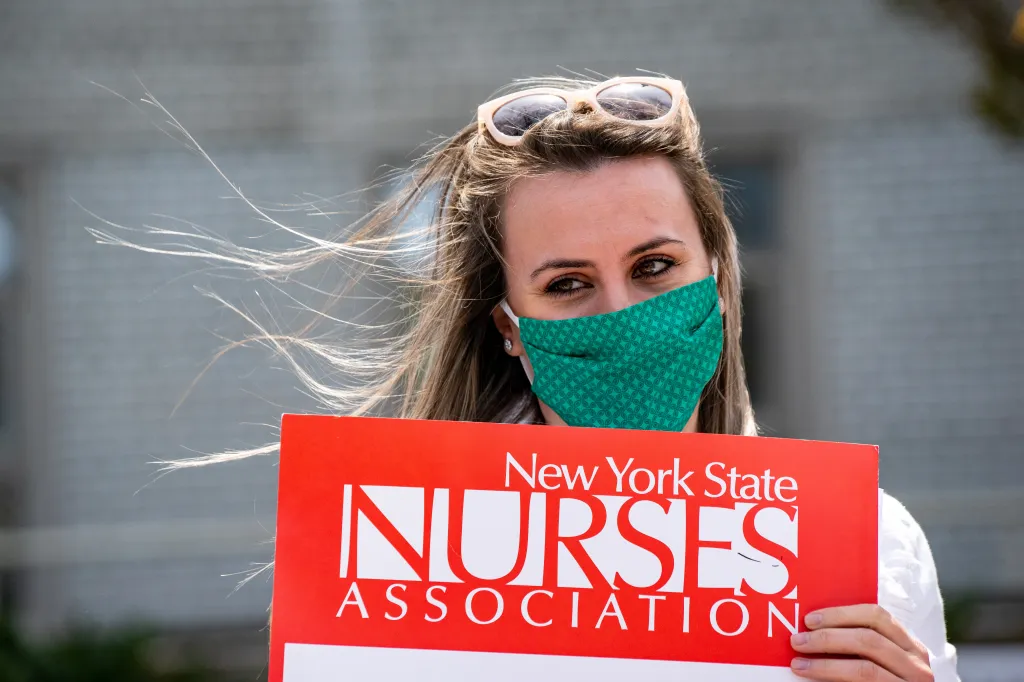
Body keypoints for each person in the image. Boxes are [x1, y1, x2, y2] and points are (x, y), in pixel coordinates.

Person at [109, 74, 959, 681]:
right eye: (568, 284)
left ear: (721, 283)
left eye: (656, 267)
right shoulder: (395, 565)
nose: (621, 313)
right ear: (511, 329)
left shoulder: (869, 550)